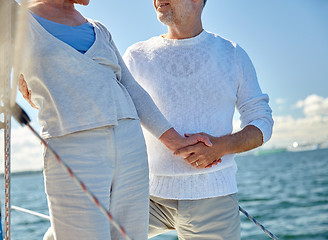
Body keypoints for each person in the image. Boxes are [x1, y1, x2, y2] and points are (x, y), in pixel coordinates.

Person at [8, 0, 213, 239]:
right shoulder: (18, 22)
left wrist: (176, 141)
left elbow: (132, 89)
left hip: (130, 146)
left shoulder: (99, 29)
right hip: (72, 145)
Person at [122, 0, 274, 239]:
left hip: (212, 198)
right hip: (145, 196)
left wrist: (220, 147)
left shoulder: (232, 54)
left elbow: (261, 122)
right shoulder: (136, 56)